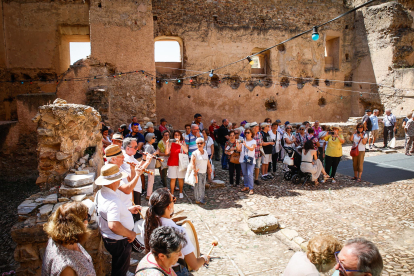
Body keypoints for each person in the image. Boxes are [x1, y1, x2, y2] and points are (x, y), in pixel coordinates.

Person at [143, 188, 210, 275]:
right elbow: (194, 265)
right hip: (176, 272)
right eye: (173, 200)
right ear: (168, 206)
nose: (174, 202)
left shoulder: (146, 224)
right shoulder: (178, 231)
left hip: (154, 269)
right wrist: (204, 258)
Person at [95, 164, 142, 276]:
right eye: (119, 179)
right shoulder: (113, 201)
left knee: (119, 266)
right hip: (119, 241)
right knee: (119, 271)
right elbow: (114, 225)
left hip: (110, 238)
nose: (121, 180)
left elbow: (108, 212)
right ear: (113, 182)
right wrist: (130, 234)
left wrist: (127, 210)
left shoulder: (100, 193)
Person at [42, 202, 96, 276]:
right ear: (76, 226)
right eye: (86, 218)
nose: (87, 221)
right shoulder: (66, 268)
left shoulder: (61, 239)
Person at [121, 139, 151, 213]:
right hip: (133, 188)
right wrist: (148, 162)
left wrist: (144, 159)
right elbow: (136, 173)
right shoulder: (125, 158)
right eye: (135, 147)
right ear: (128, 148)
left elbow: (138, 166)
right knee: (135, 212)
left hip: (136, 187)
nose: (137, 149)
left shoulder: (130, 156)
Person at [190, 138, 212, 204]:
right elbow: (192, 163)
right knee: (197, 186)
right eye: (198, 143)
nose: (199, 144)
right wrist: (194, 172)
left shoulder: (205, 152)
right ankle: (198, 199)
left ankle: (201, 198)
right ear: (196, 144)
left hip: (204, 172)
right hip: (198, 172)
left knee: (202, 186)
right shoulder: (194, 153)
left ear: (204, 144)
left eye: (201, 143)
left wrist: (210, 167)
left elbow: (207, 160)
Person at [167, 131, 188, 199]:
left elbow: (186, 150)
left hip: (180, 163)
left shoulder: (182, 142)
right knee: (173, 179)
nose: (177, 136)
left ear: (180, 136)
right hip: (172, 162)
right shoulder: (171, 143)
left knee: (180, 178)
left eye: (178, 135)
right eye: (175, 135)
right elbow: (167, 152)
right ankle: (172, 193)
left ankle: (181, 192)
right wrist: (167, 144)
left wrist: (180, 144)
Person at [237, 128, 256, 195]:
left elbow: (252, 148)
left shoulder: (253, 141)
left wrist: (245, 145)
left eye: (248, 132)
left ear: (251, 133)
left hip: (250, 159)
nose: (247, 134)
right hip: (243, 159)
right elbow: (239, 149)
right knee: (244, 174)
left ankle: (251, 188)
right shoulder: (242, 140)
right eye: (246, 132)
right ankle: (246, 186)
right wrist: (238, 144)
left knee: (250, 174)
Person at [143, 133, 159, 200]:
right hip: (150, 165)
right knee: (150, 180)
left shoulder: (150, 145)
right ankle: (148, 195)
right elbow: (147, 155)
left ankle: (150, 193)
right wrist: (155, 153)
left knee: (151, 180)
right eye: (153, 138)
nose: (154, 139)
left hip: (151, 165)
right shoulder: (148, 146)